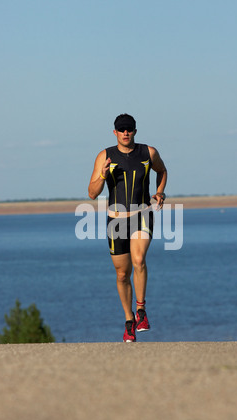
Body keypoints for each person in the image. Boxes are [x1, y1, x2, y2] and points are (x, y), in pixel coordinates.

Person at [88, 113, 167, 342]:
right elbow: (92, 193)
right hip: (116, 220)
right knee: (122, 274)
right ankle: (129, 320)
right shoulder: (105, 156)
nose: (125, 133)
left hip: (142, 214)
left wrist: (160, 192)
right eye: (121, 129)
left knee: (139, 259)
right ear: (114, 132)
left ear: (135, 130)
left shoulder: (148, 152)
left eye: (129, 129)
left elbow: (162, 171)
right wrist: (102, 175)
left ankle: (141, 311)